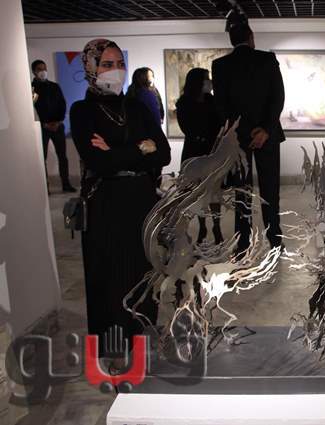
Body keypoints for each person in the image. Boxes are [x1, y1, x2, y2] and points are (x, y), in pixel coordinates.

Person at [70, 39, 171, 367]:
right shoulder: (83, 111)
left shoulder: (137, 107)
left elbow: (164, 152)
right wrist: (140, 148)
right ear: (91, 68)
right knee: (110, 277)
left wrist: (116, 151)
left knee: (144, 272)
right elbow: (98, 163)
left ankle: (143, 338)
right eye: (107, 64)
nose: (116, 71)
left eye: (119, 63)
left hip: (142, 199)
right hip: (106, 203)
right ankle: (114, 350)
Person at [212, 9, 285, 252]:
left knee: (241, 191)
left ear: (231, 40)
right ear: (251, 36)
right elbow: (278, 98)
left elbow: (222, 107)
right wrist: (265, 129)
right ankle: (274, 239)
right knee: (270, 189)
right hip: (268, 136)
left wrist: (244, 132)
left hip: (239, 138)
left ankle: (243, 242)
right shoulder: (268, 59)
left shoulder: (220, 65)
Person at [176, 67, 223, 244]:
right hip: (194, 152)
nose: (209, 82)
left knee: (215, 191)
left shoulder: (212, 100)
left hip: (212, 151)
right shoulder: (184, 103)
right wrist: (203, 134)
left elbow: (220, 123)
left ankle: (216, 226)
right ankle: (203, 226)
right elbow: (187, 127)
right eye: (206, 79)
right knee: (198, 193)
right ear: (197, 82)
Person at [31, 59, 76, 193]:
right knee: (42, 158)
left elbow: (62, 104)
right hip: (42, 128)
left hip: (58, 126)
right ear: (34, 71)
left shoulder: (54, 86)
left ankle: (66, 184)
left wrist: (58, 121)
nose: (43, 71)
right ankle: (45, 188)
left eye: (44, 68)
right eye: (39, 69)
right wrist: (44, 123)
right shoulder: (32, 88)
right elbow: (33, 107)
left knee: (62, 156)